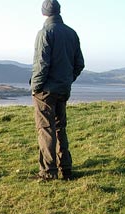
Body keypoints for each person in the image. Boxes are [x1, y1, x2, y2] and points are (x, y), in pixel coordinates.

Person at [31, 0, 84, 181]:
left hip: (46, 90)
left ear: (44, 13)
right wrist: (67, 79)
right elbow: (79, 64)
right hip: (63, 88)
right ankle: (65, 168)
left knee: (46, 128)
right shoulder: (72, 33)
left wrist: (35, 87)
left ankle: (48, 171)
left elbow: (41, 64)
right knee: (60, 127)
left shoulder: (45, 32)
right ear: (59, 11)